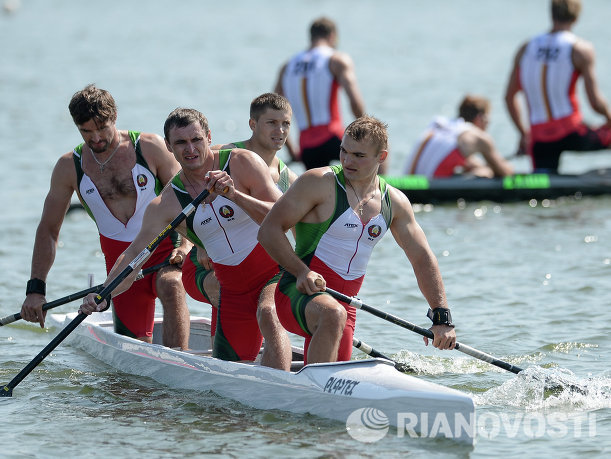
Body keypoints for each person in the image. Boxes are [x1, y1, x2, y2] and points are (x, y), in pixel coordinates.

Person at [80, 108, 292, 371]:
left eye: (196, 140)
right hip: (232, 292)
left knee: (268, 313)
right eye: (181, 142)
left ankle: (283, 391)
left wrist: (235, 196)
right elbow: (134, 255)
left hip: (273, 274)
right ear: (168, 147)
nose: (190, 149)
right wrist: (104, 293)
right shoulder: (166, 203)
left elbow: (283, 217)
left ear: (209, 137)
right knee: (226, 381)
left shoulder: (241, 162)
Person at [258, 115, 457, 364]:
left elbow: (421, 257)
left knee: (336, 344)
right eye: (344, 151)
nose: (347, 161)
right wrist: (301, 272)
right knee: (332, 315)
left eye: (359, 155)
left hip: (345, 307)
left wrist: (441, 316)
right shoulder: (318, 183)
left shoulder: (395, 202)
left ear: (381, 157)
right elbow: (269, 231)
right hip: (297, 293)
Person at [20, 84, 190, 349]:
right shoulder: (69, 167)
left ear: (115, 117)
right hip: (120, 264)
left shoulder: (150, 147)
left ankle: (179, 358)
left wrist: (189, 246)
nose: (96, 138)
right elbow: (49, 230)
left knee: (171, 285)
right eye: (86, 131)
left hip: (165, 251)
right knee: (132, 349)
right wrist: (35, 289)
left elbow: (188, 199)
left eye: (102, 128)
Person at [183, 93, 298, 324]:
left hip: (256, 267)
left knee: (266, 305)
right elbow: (178, 194)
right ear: (252, 124)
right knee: (231, 291)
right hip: (206, 262)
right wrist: (198, 243)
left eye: (286, 123)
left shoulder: (289, 179)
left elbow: (298, 234)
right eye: (272, 123)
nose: (280, 130)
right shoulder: (223, 155)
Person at [504, 0, 611, 173]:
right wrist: (609, 118)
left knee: (543, 181)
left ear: (551, 15)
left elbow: (509, 97)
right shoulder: (580, 49)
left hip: (539, 138)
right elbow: (595, 103)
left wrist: (524, 135)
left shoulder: (526, 48)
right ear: (576, 18)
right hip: (572, 132)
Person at [275, 17, 380, 172]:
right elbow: (355, 103)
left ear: (311, 37)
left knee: (321, 185)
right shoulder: (336, 59)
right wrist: (369, 136)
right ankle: (382, 182)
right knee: (379, 150)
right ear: (332, 36)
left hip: (306, 147)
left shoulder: (287, 66)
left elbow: (274, 110)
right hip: (333, 137)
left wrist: (292, 150)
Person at [403, 95, 514, 178]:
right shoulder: (478, 137)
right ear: (480, 118)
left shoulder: (441, 125)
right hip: (431, 185)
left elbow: (471, 163)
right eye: (488, 120)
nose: (488, 125)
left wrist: (482, 169)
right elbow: (506, 173)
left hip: (411, 183)